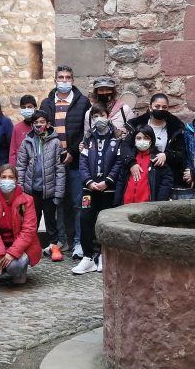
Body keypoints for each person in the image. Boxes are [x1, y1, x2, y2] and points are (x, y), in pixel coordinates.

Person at [40, 65, 91, 257]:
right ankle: (60, 241)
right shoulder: (46, 103)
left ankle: (78, 242)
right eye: (60, 77)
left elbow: (85, 132)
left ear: (73, 80)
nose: (64, 81)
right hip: (53, 162)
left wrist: (71, 152)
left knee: (78, 203)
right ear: (55, 80)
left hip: (76, 161)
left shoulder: (83, 102)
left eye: (68, 77)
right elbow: (43, 130)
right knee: (58, 203)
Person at [0, 165, 42, 294]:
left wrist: (11, 253)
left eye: (11, 177)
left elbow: (28, 231)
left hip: (21, 246)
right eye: (3, 177)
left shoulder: (27, 200)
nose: (7, 180)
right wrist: (0, 254)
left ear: (16, 180)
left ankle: (18, 270)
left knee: (15, 269)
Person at [73, 104, 124, 273]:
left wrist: (108, 181)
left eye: (101, 114)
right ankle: (88, 257)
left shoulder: (117, 137)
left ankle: (104, 255)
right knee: (85, 219)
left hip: (108, 189)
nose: (98, 118)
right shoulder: (88, 137)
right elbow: (83, 162)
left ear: (108, 115)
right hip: (89, 189)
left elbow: (118, 163)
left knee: (106, 222)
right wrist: (88, 181)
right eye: (95, 115)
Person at [16, 110, 67, 260]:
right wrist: (20, 189)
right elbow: (20, 166)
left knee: (52, 222)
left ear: (48, 123)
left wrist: (58, 193)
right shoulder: (27, 142)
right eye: (36, 123)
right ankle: (31, 247)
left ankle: (54, 247)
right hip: (31, 191)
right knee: (31, 222)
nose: (39, 125)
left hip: (49, 190)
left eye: (42, 122)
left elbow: (60, 169)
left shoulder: (56, 142)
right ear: (32, 125)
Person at [121, 93, 187, 181]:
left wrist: (167, 155)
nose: (161, 109)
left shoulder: (176, 128)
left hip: (164, 175)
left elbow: (181, 154)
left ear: (168, 108)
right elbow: (126, 146)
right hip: (139, 173)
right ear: (150, 107)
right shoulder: (137, 125)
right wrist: (131, 163)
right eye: (157, 106)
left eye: (164, 107)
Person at [115, 127, 173, 205]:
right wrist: (116, 203)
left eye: (146, 138)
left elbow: (166, 183)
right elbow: (121, 182)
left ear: (151, 140)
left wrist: (159, 204)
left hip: (147, 208)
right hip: (126, 205)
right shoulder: (129, 159)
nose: (142, 141)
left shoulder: (157, 159)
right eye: (138, 138)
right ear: (134, 141)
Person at [83, 77, 134, 141]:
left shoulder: (124, 110)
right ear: (96, 92)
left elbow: (133, 133)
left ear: (113, 91)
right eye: (101, 90)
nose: (105, 92)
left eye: (108, 89)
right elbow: (87, 137)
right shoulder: (90, 113)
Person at [9, 95, 39, 166]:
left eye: (29, 107)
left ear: (35, 108)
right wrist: (13, 170)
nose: (26, 109)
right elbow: (13, 152)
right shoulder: (17, 128)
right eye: (23, 107)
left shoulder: (40, 126)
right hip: (21, 168)